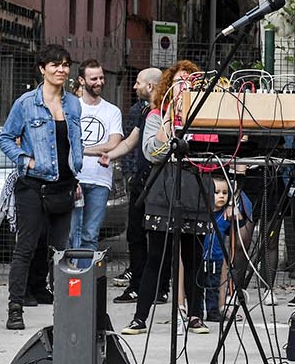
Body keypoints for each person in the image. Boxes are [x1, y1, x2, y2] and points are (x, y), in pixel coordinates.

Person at [121, 62, 213, 337]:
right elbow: (152, 153)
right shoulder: (154, 116)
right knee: (156, 258)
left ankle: (195, 315)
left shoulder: (205, 116)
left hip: (196, 189)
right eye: (179, 83)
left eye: (189, 83)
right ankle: (140, 317)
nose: (184, 88)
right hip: (165, 189)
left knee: (194, 257)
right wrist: (169, 117)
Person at [0, 44, 83, 331]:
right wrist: (26, 161)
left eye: (65, 64)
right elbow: (5, 138)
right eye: (55, 64)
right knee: (26, 246)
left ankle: (66, 312)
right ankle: (15, 306)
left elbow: (73, 142)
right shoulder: (26, 103)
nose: (61, 69)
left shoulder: (73, 103)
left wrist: (76, 172)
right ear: (42, 69)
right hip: (33, 185)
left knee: (62, 250)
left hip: (65, 185)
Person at [106, 67, 164, 303]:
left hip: (158, 182)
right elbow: (132, 140)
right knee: (136, 234)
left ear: (150, 86)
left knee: (157, 237)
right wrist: (111, 155)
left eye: (138, 82)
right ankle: (138, 284)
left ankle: (158, 287)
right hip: (142, 182)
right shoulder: (141, 110)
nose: (134, 86)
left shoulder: (164, 111)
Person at [70, 58, 123, 251]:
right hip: (74, 177)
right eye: (94, 78)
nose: (99, 82)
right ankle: (69, 278)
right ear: (82, 80)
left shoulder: (112, 111)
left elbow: (114, 143)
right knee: (70, 234)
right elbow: (66, 142)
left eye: (101, 77)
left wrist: (82, 149)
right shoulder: (71, 107)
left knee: (91, 235)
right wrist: (96, 149)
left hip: (100, 180)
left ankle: (86, 279)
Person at [203, 175, 253, 320]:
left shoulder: (225, 215)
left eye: (224, 193)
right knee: (198, 286)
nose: (221, 196)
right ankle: (198, 312)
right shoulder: (201, 214)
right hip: (199, 256)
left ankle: (213, 311)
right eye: (217, 192)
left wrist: (237, 213)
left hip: (216, 258)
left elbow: (240, 226)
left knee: (214, 286)